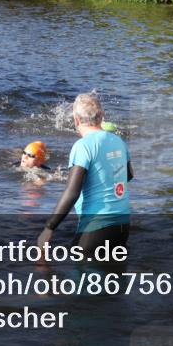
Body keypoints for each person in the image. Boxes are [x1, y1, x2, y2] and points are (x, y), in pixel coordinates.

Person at [37, 93, 133, 253]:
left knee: (78, 274)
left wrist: (49, 228)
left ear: (76, 120)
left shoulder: (83, 146)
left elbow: (72, 193)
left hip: (96, 226)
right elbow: (128, 175)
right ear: (101, 116)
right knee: (114, 275)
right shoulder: (119, 141)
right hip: (122, 226)